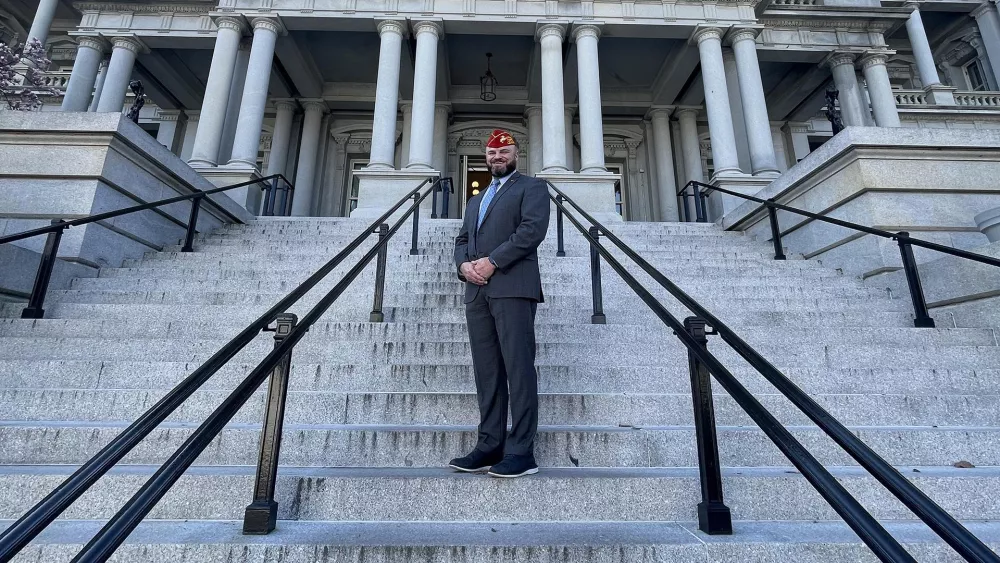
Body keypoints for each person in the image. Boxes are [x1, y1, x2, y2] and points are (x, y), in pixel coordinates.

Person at [449, 129, 550, 478]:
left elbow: (532, 231)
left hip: (512, 286)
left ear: (516, 154)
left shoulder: (532, 188)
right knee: (487, 371)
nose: (497, 157)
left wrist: (492, 261)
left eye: (504, 151)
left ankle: (521, 451)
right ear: (485, 158)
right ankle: (490, 443)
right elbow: (462, 239)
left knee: (518, 368)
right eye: (492, 153)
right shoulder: (474, 201)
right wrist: (463, 266)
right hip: (476, 292)